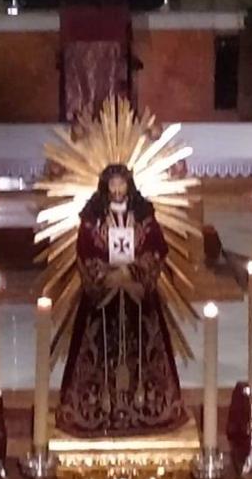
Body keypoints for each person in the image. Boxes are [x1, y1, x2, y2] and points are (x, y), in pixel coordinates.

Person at [56, 163, 186, 436]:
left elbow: (157, 248)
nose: (117, 190)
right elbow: (84, 252)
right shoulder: (92, 218)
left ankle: (149, 407)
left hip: (139, 297)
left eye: (121, 184)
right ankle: (95, 407)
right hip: (103, 300)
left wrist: (132, 272)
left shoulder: (144, 216)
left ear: (129, 185)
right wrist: (105, 276)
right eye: (112, 185)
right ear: (105, 187)